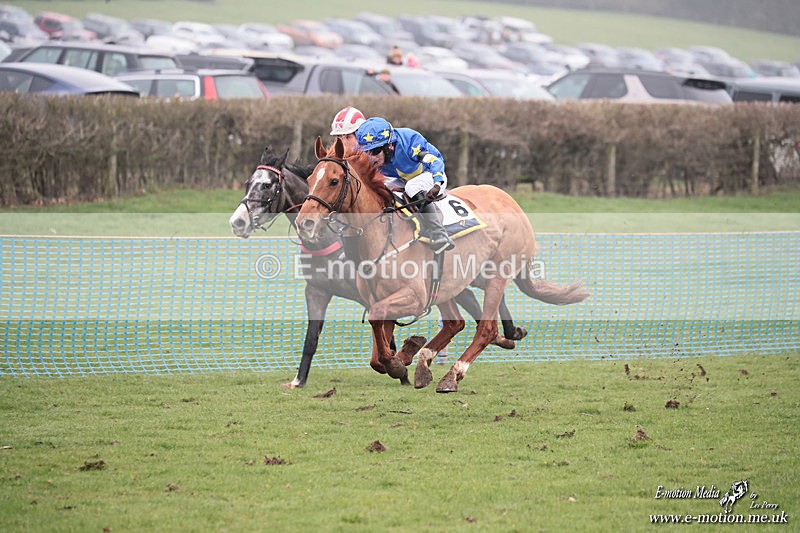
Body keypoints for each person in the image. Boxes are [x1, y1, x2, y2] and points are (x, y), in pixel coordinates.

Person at [355, 117, 455, 254]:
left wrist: (437, 183)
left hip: (430, 173)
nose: (371, 157)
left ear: (389, 146)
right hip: (404, 178)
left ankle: (438, 233)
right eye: (367, 152)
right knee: (379, 190)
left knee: (412, 187)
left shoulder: (409, 142)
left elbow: (434, 161)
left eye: (375, 151)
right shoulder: (367, 150)